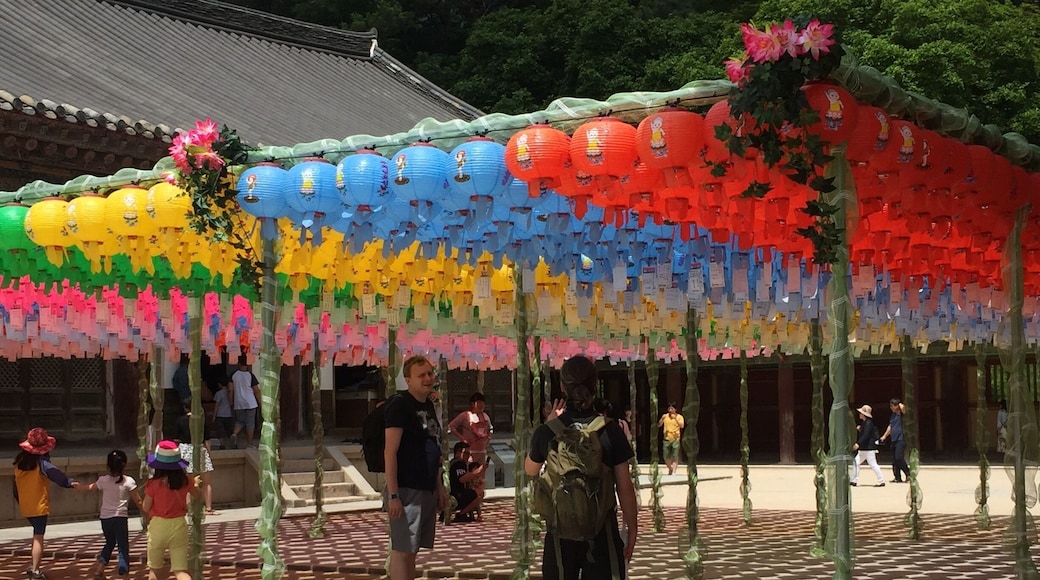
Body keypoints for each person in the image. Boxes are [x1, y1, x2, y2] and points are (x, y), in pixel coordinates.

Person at [525, 356, 638, 579]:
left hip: (560, 533)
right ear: (594, 385)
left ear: (562, 386)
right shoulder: (610, 431)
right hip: (602, 533)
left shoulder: (548, 431)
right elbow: (625, 487)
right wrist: (632, 527)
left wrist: (549, 424)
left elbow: (530, 470)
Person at [384, 355, 448, 580]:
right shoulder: (400, 406)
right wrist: (393, 495)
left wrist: (438, 486)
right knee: (402, 550)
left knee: (412, 550)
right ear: (408, 379)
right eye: (421, 375)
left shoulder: (428, 405)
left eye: (430, 373)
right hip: (406, 488)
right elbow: (390, 451)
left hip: (426, 486)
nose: (428, 378)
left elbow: (434, 448)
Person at [12, 427, 79, 580]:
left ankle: (33, 566)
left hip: (25, 505)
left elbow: (15, 486)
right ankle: (35, 570)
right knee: (38, 537)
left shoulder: (19, 463)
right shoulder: (41, 463)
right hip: (39, 506)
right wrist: (69, 482)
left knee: (36, 534)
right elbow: (56, 475)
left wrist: (20, 500)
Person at [142, 440, 203, 580]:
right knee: (180, 571)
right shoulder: (186, 481)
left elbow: (145, 506)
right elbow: (198, 495)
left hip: (158, 526)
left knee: (154, 571)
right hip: (178, 525)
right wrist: (196, 484)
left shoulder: (153, 484)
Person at [84, 449, 143, 579]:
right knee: (122, 546)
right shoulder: (129, 481)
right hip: (120, 518)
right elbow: (138, 500)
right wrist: (145, 512)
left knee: (109, 543)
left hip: (105, 518)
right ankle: (123, 572)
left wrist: (77, 486)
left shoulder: (103, 480)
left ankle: (100, 569)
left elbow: (89, 487)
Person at [176, 404, 218, 514]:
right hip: (200, 449)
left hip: (185, 449)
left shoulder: (180, 420)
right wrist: (209, 454)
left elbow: (176, 438)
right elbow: (207, 439)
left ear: (185, 408)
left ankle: (188, 508)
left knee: (187, 482)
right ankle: (208, 507)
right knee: (207, 482)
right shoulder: (201, 420)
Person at [448, 392, 493, 465]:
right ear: (472, 404)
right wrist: (462, 438)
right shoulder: (465, 415)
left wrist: (488, 439)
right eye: (479, 403)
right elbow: (451, 426)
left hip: (482, 451)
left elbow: (490, 428)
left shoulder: (486, 416)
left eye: (483, 403)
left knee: (480, 471)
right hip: (469, 451)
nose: (481, 405)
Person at [447, 442, 485, 523]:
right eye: (466, 453)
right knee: (480, 493)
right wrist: (478, 471)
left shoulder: (453, 462)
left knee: (472, 491)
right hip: (456, 494)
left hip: (454, 493)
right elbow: (462, 479)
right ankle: (461, 514)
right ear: (458, 453)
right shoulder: (458, 463)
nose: (468, 456)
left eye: (469, 453)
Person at [229, 357, 261, 449]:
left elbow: (230, 389)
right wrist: (261, 403)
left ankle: (234, 434)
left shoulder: (233, 375)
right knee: (250, 423)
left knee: (240, 421)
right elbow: (256, 391)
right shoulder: (250, 375)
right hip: (251, 403)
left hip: (239, 403)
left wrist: (231, 401)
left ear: (238, 363)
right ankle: (250, 443)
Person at [851, 405, 886, 487]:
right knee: (856, 462)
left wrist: (858, 443)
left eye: (861, 413)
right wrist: (861, 429)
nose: (860, 414)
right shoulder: (866, 423)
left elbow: (866, 435)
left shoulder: (868, 423)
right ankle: (854, 480)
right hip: (865, 448)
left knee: (872, 464)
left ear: (864, 414)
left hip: (868, 448)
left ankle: (881, 480)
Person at [879, 398, 910, 483]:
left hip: (901, 438)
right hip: (894, 439)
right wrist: (884, 436)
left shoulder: (901, 414)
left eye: (892, 406)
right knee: (894, 460)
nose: (891, 408)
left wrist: (900, 404)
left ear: (897, 406)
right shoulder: (892, 415)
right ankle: (897, 477)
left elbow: (904, 409)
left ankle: (908, 473)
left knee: (899, 457)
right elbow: (890, 426)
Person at [658, 402, 684, 475]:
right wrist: (662, 419)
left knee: (675, 456)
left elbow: (682, 426)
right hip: (666, 439)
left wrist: (675, 419)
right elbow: (659, 425)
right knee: (666, 456)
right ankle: (670, 468)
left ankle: (674, 471)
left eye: (672, 409)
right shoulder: (665, 416)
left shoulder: (679, 417)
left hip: (675, 439)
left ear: (675, 409)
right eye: (669, 408)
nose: (670, 410)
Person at [211, 376, 235, 450]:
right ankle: (233, 444)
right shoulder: (230, 392)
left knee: (220, 431)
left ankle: (222, 445)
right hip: (229, 414)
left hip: (220, 414)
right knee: (230, 430)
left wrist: (214, 416)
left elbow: (216, 406)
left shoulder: (219, 393)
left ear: (220, 384)